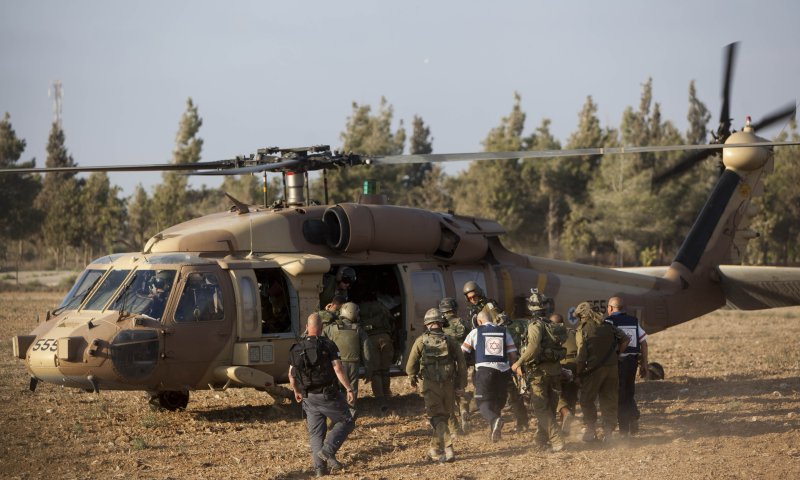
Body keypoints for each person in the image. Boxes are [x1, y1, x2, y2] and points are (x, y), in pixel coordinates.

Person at [288, 313, 356, 477]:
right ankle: (328, 451)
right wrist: (349, 388)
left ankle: (320, 470)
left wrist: (296, 391)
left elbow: (291, 374)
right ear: (322, 328)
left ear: (306, 327)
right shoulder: (328, 344)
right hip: (327, 394)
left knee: (316, 434)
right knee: (347, 420)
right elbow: (338, 369)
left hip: (308, 397)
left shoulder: (297, 347)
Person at [406, 308, 467, 463]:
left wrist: (412, 377)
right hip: (448, 385)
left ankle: (448, 448)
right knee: (444, 417)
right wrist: (461, 384)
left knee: (436, 418)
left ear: (427, 324)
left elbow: (410, 365)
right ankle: (434, 449)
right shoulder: (451, 341)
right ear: (442, 323)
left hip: (430, 385)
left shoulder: (420, 341)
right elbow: (462, 364)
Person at [511, 289, 565, 452]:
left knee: (541, 408)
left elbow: (533, 347)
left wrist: (518, 362)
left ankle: (557, 441)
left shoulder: (535, 325)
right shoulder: (551, 325)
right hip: (554, 372)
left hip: (539, 374)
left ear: (531, 307)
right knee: (549, 407)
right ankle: (541, 439)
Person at [574, 302, 629, 443]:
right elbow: (625, 339)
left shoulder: (583, 330)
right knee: (609, 400)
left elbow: (581, 356)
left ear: (583, 315)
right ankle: (609, 434)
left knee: (586, 400)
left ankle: (591, 430)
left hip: (594, 370)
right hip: (612, 368)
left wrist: (578, 374)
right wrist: (617, 354)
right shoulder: (608, 326)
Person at [461, 310, 518, 442]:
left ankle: (494, 420)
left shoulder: (476, 332)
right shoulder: (504, 331)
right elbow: (513, 354)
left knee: (482, 402)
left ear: (479, 321)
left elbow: (463, 351)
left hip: (485, 371)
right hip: (503, 372)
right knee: (497, 401)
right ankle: (495, 431)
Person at [605, 296, 649, 436]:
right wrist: (644, 363)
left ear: (611, 308)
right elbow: (643, 342)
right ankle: (633, 417)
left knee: (619, 396)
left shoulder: (609, 321)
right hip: (632, 363)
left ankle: (624, 431)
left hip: (618, 363)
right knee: (628, 392)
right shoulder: (633, 321)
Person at [323, 302, 372, 416]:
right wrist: (369, 370)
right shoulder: (359, 330)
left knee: (337, 389)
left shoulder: (331, 328)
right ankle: (351, 412)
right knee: (352, 389)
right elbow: (367, 351)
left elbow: (321, 340)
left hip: (336, 364)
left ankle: (337, 413)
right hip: (353, 364)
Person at [439, 297, 472, 435]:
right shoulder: (464, 323)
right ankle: (463, 409)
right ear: (455, 309)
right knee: (461, 388)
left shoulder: (442, 326)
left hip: (448, 362)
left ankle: (455, 427)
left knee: (449, 392)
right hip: (463, 360)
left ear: (443, 311)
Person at [358, 295, 395, 406]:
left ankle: (380, 400)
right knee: (385, 370)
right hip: (385, 338)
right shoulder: (381, 306)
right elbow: (391, 319)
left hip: (370, 339)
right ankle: (387, 396)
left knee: (376, 372)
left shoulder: (358, 308)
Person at [551, 313, 579, 434]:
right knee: (571, 396)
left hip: (560, 365)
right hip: (575, 364)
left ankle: (565, 412)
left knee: (556, 394)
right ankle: (565, 427)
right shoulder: (573, 332)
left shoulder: (551, 334)